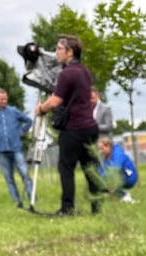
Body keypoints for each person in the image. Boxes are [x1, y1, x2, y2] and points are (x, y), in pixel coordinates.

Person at [35, 35, 100, 216]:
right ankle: (96, 207)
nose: (56, 53)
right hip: (89, 126)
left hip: (73, 128)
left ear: (69, 52)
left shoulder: (66, 74)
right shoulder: (85, 71)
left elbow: (55, 101)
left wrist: (41, 108)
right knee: (90, 169)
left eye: (59, 49)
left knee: (66, 169)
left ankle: (67, 208)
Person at [0, 88, 33, 208]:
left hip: (16, 148)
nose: (4, 101)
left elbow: (28, 121)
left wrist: (21, 131)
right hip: (2, 151)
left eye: (6, 98)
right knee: (8, 177)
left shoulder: (13, 111)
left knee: (24, 173)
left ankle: (32, 197)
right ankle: (17, 201)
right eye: (2, 99)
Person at [97, 135, 138, 202]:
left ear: (109, 146)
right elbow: (101, 171)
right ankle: (118, 193)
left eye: (102, 148)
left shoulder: (118, 153)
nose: (101, 151)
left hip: (129, 177)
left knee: (105, 181)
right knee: (99, 183)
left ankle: (124, 195)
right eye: (99, 149)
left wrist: (107, 181)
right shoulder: (105, 156)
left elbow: (115, 168)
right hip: (118, 176)